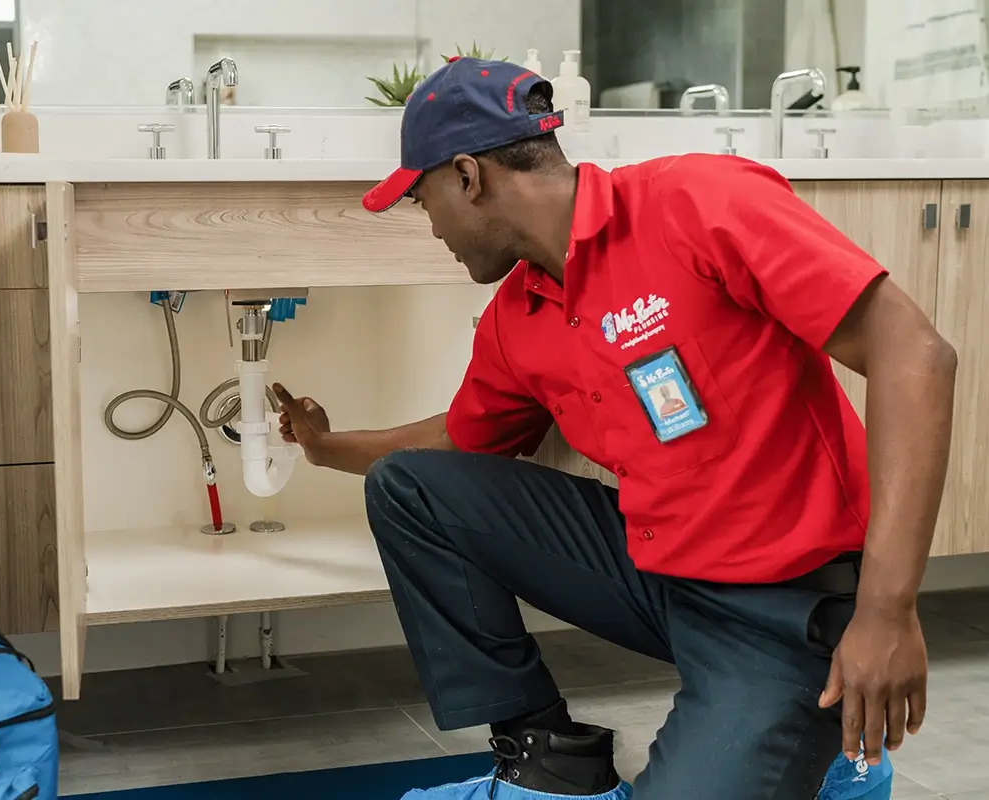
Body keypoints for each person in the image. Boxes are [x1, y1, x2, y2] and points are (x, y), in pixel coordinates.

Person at [274, 57, 955, 799]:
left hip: (785, 608)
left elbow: (914, 354)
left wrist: (886, 611)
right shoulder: (517, 315)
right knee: (409, 488)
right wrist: (325, 448)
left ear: (468, 176)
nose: (429, 224)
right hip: (661, 574)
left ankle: (830, 762)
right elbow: (455, 447)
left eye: (421, 197)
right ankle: (548, 757)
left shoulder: (697, 203)